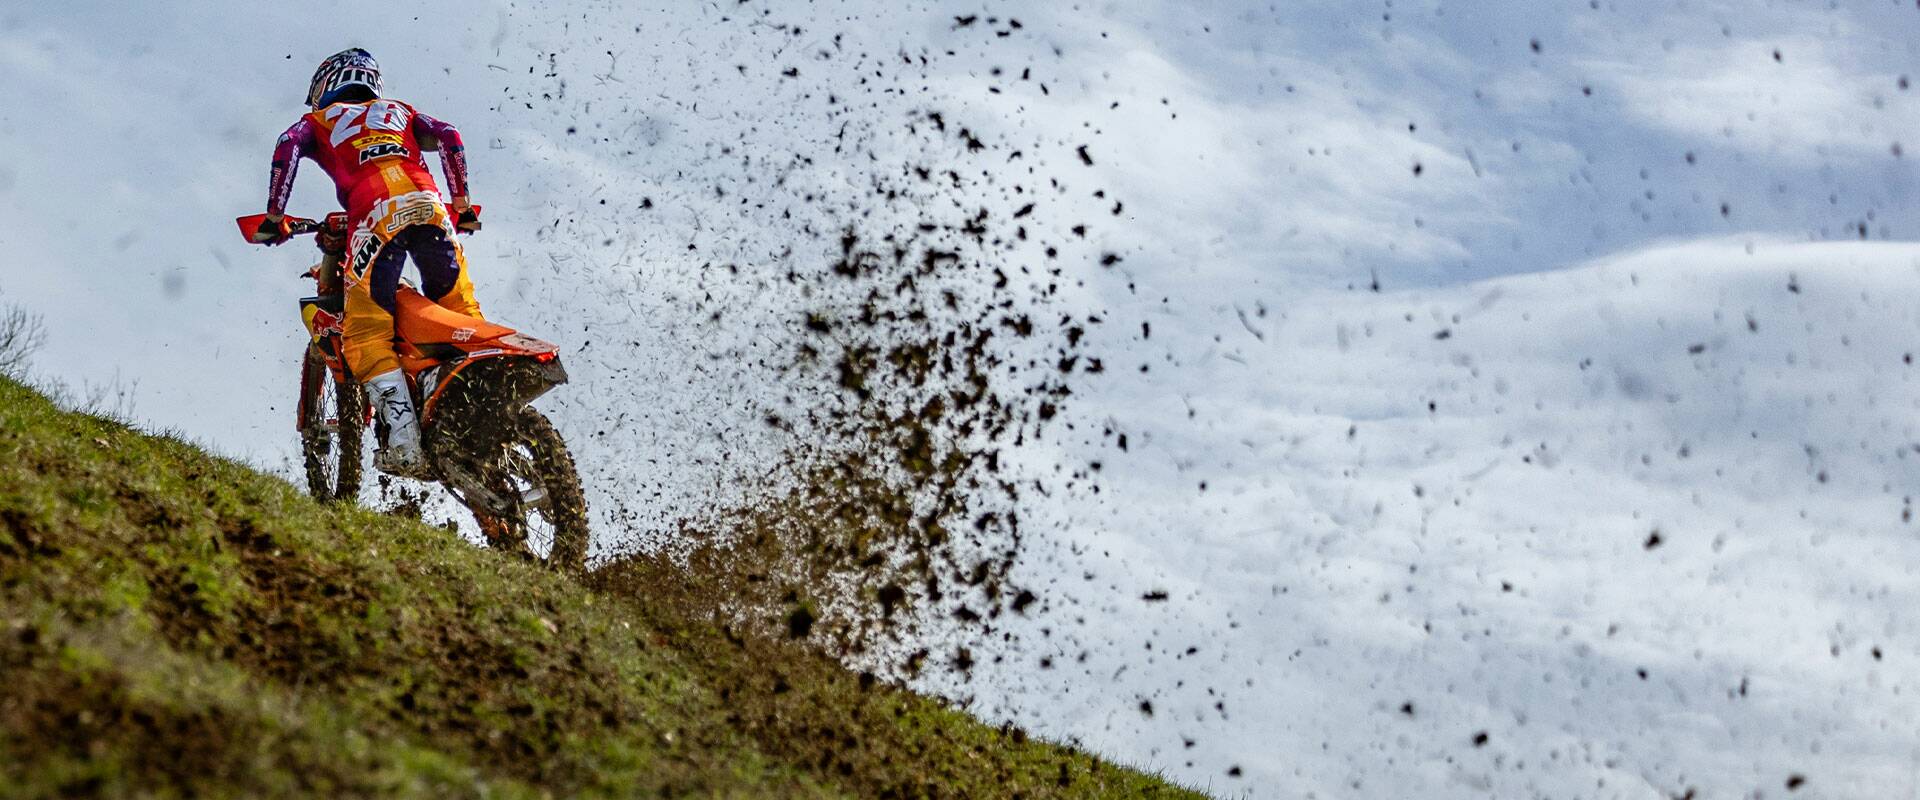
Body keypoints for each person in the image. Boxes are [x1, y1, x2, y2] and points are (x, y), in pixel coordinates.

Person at [254, 48, 484, 477]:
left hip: (376, 214)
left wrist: (273, 216)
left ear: (325, 86)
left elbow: (286, 146)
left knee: (365, 334)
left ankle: (405, 445)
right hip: (431, 205)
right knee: (460, 312)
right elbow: (450, 135)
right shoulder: (402, 111)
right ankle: (465, 402)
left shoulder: (318, 121)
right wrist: (463, 205)